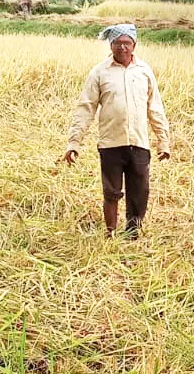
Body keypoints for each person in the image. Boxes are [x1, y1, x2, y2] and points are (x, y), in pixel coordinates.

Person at [64, 24, 171, 240]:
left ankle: (132, 233)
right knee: (111, 192)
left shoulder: (144, 71)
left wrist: (163, 141)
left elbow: (155, 108)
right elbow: (86, 107)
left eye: (127, 43)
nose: (122, 48)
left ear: (134, 45)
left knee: (139, 192)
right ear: (110, 45)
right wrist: (74, 142)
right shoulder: (100, 72)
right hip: (111, 144)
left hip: (139, 143)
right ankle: (110, 233)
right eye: (117, 43)